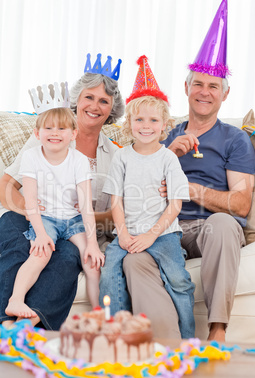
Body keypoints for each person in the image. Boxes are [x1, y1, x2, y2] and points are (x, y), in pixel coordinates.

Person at [122, 0, 255, 341]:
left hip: (209, 227)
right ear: (186, 88)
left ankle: (217, 332)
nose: (204, 92)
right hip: (163, 226)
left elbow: (241, 205)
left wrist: (191, 190)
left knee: (225, 224)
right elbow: (133, 186)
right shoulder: (159, 131)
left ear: (224, 96)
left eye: (214, 86)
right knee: (133, 260)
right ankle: (170, 344)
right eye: (198, 84)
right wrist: (166, 153)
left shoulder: (235, 140)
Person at [0, 53, 124, 329]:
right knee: (22, 238)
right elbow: (6, 186)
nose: (95, 106)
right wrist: (34, 215)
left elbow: (112, 213)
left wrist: (91, 225)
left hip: (76, 225)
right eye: (89, 97)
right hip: (27, 213)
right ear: (76, 100)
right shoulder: (50, 135)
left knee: (69, 256)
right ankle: (4, 318)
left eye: (104, 101)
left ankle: (31, 324)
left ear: (111, 109)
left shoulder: (115, 156)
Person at [99, 56, 195, 339]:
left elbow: (175, 204)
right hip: (127, 232)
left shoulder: (168, 158)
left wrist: (152, 236)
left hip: (163, 234)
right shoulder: (122, 157)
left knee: (179, 280)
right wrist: (125, 234)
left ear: (165, 124)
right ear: (129, 122)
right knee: (109, 274)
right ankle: (117, 336)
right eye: (139, 119)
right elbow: (116, 200)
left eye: (153, 120)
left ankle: (188, 339)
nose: (146, 125)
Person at [5, 102, 105, 322]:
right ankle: (16, 300)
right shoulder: (32, 156)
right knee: (41, 254)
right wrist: (41, 234)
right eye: (48, 128)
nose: (54, 133)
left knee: (89, 258)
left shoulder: (78, 160)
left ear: (73, 134)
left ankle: (99, 312)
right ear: (37, 133)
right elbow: (30, 200)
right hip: (46, 218)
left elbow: (86, 204)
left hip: (72, 219)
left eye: (61, 129)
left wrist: (93, 243)